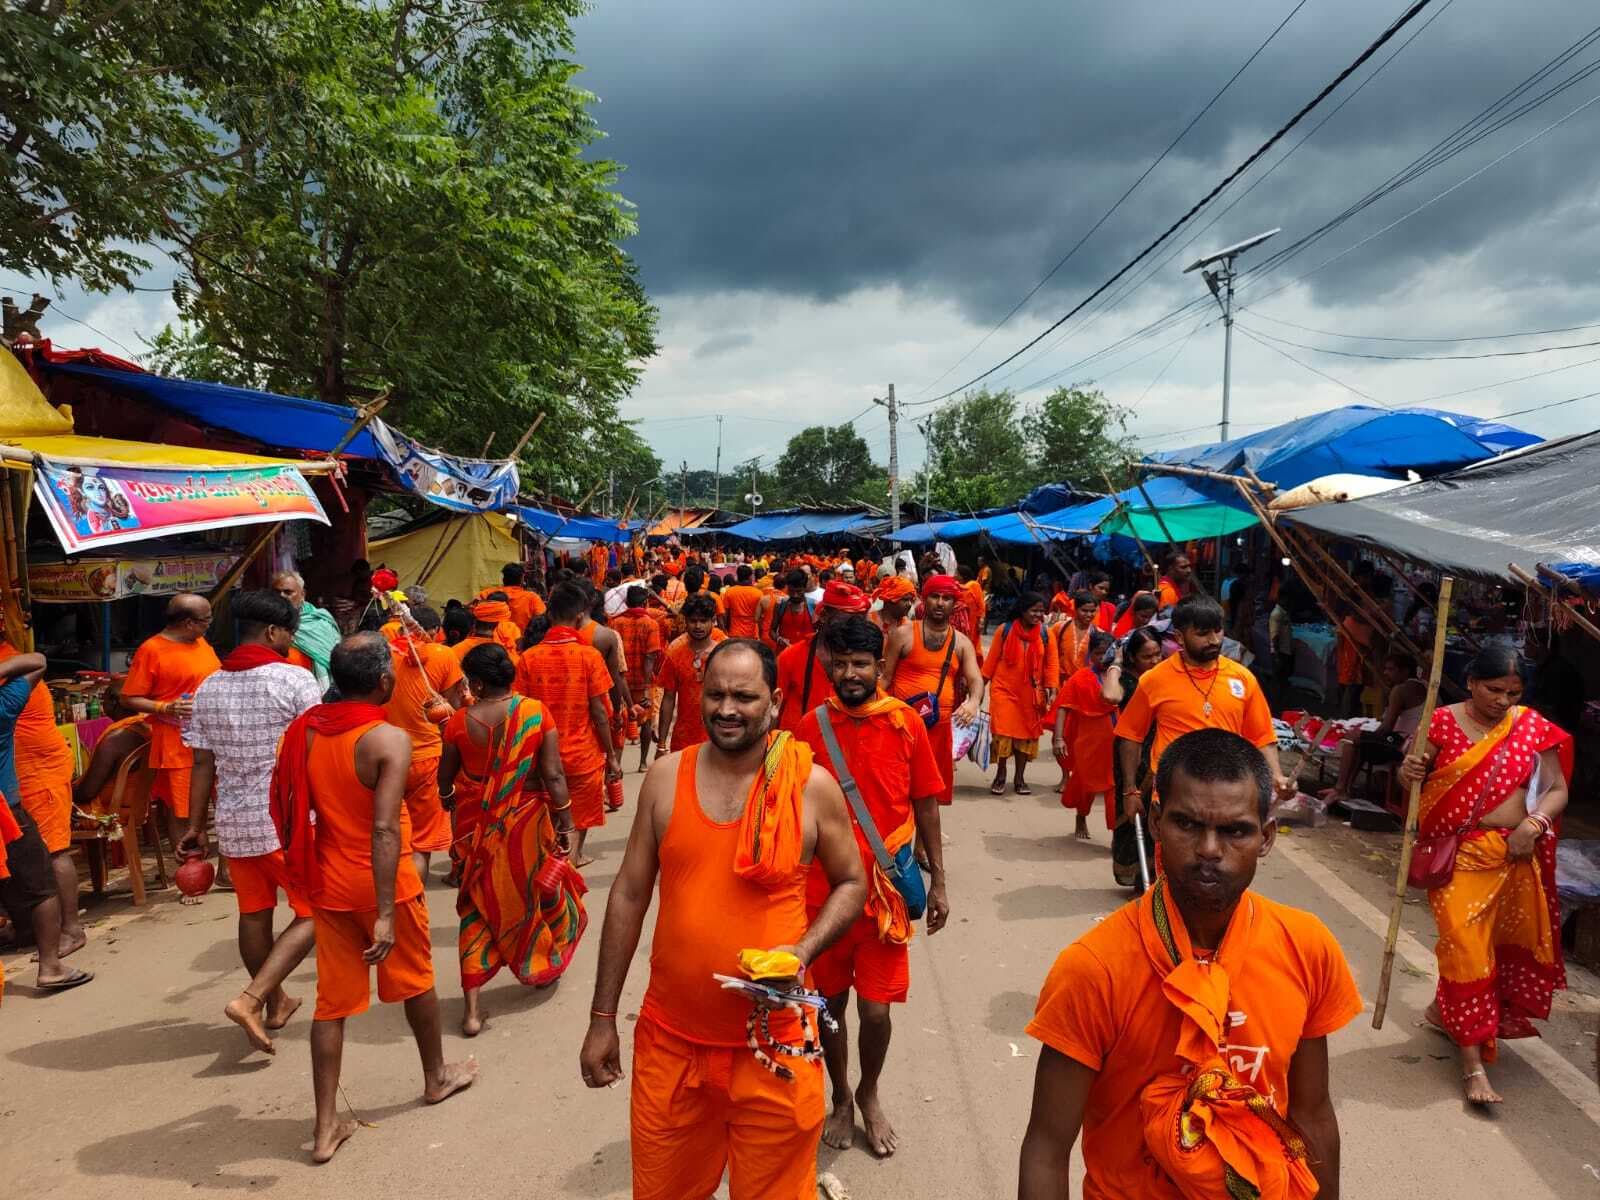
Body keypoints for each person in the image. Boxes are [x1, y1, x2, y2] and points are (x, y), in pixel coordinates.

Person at [578, 639, 869, 1199]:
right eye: (715, 694)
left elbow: (852, 882)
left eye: (744, 696)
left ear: (776, 701)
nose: (726, 708)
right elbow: (630, 894)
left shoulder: (811, 788)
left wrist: (803, 951)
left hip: (775, 1048)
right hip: (671, 1048)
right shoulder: (665, 778)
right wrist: (601, 1016)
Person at [1018, 729, 1361, 1199]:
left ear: (1267, 837)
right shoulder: (1094, 967)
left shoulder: (1306, 946)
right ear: (1156, 824)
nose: (1209, 850)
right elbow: (1047, 1145)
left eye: (1235, 830)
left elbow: (1313, 1112)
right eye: (1188, 825)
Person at [270, 633, 477, 1162]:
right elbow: (385, 830)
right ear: (384, 681)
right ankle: (435, 1076)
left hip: (331, 882)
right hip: (385, 883)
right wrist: (385, 912)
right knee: (417, 984)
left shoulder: (308, 732)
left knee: (331, 1005)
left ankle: (323, 1128)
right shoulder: (387, 739)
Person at [795, 617, 949, 1158]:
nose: (851, 673)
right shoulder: (809, 728)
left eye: (861, 664)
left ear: (880, 667)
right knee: (830, 1004)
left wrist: (941, 880)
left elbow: (927, 799)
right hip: (825, 898)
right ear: (830, 667)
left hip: (885, 895)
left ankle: (869, 1091)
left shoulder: (906, 722)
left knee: (877, 1012)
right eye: (841, 664)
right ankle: (839, 1096)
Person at [1398, 645, 1571, 1106]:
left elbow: (1556, 788)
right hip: (1459, 859)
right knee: (1467, 949)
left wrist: (1533, 826)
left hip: (1514, 856)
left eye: (1513, 692)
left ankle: (1443, 1010)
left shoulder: (1531, 726)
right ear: (1472, 681)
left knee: (1494, 947)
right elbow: (1412, 778)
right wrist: (1409, 769)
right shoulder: (1440, 721)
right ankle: (1473, 1064)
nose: (1503, 701)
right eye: (1494, 690)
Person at [179, 590, 323, 1049]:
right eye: (290, 634)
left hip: (235, 822)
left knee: (253, 916)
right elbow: (317, 751)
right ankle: (253, 996)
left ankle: (277, 1001)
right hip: (286, 819)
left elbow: (202, 763)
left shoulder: (210, 685)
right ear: (274, 632)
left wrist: (196, 825)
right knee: (317, 911)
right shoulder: (293, 680)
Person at [439, 644, 583, 1037]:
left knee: (477, 905)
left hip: (476, 827)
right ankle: (537, 967)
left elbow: (446, 777)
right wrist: (566, 821)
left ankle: (471, 1010)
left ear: (479, 682)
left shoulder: (456, 723)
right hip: (528, 824)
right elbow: (553, 775)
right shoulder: (535, 714)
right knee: (527, 896)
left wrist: (447, 798)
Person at [1115, 597, 1295, 818]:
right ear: (1180, 637)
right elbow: (1130, 736)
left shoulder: (1243, 678)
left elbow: (1262, 736)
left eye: (1218, 631)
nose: (1214, 640)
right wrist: (1130, 790)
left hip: (1228, 793)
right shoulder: (1154, 680)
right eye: (1202, 634)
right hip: (1174, 795)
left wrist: (1277, 776)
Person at [0, 648, 93, 992]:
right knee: (40, 886)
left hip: (23, 794)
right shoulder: (6, 702)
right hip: (8, 808)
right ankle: (50, 966)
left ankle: (69, 930)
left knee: (50, 858)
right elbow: (38, 661)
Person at [514, 582, 619, 867]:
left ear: (549, 615)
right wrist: (611, 755)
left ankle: (552, 873)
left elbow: (520, 710)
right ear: (579, 616)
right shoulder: (589, 656)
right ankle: (570, 869)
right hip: (583, 756)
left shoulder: (528, 658)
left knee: (548, 825)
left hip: (541, 758)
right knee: (576, 822)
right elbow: (600, 712)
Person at [120, 593, 222, 845]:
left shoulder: (200, 642)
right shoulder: (151, 650)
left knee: (220, 805)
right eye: (206, 619)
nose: (210, 623)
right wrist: (166, 707)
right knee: (183, 811)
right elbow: (129, 698)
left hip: (213, 738)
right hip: (178, 743)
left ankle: (220, 870)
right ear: (188, 623)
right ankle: (190, 869)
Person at [383, 604, 468, 882]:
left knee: (392, 831)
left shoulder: (383, 657)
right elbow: (452, 708)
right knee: (421, 842)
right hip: (429, 757)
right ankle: (411, 900)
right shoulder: (444, 655)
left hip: (386, 754)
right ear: (433, 630)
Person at [883, 574, 984, 807]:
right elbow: (885, 678)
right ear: (924, 600)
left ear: (954, 604)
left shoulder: (961, 643)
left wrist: (973, 701)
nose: (940, 603)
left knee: (930, 795)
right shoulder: (902, 635)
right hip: (900, 725)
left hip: (938, 730)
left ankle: (921, 844)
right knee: (897, 789)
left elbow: (975, 679)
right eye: (935, 597)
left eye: (946, 598)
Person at [1099, 627, 1166, 889]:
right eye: (1146, 656)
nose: (1153, 661)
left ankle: (1151, 874)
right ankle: (1134, 868)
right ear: (1133, 658)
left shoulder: (1165, 677)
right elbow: (1110, 696)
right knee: (1133, 810)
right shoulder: (1127, 680)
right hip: (1131, 754)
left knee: (1157, 813)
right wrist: (1115, 666)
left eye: (1157, 654)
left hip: (1160, 751)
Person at [1320, 651, 1425, 806]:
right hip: (1413, 743)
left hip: (1404, 744)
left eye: (1391, 669)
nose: (1385, 673)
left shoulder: (1401, 690)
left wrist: (1366, 735)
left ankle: (1340, 788)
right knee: (1361, 739)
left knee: (1352, 737)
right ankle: (1345, 788)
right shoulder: (1424, 686)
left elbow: (1386, 728)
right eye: (1385, 669)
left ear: (1405, 671)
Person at [981, 591, 1059, 797]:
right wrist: (978, 687)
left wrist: (1052, 688)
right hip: (1003, 690)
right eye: (1034, 610)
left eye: (1041, 612)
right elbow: (991, 662)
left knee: (1026, 736)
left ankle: (1020, 778)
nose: (1038, 615)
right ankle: (1000, 775)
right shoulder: (1004, 630)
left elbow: (1051, 664)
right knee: (1004, 733)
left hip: (1032, 694)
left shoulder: (1045, 634)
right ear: (1022, 610)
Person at [775, 580, 871, 731]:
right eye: (847, 621)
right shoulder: (791, 657)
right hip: (797, 747)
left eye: (859, 621)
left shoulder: (864, 659)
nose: (854, 628)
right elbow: (773, 711)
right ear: (825, 615)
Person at [1052, 629, 1118, 842]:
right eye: (1098, 653)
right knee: (1084, 783)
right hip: (1088, 741)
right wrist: (1059, 738)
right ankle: (1081, 816)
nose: (1103, 657)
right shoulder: (1080, 678)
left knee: (1115, 787)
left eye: (1107, 652)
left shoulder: (1120, 675)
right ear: (1090, 654)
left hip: (1116, 741)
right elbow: (1064, 706)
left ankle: (1118, 831)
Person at [654, 593, 728, 756]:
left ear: (713, 621)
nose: (698, 626)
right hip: (684, 739)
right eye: (693, 621)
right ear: (685, 621)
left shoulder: (723, 653)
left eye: (703, 621)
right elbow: (668, 698)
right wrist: (661, 745)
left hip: (720, 737)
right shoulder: (675, 653)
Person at [612, 585, 666, 772]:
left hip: (620, 682)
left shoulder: (615, 623)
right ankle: (643, 762)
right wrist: (645, 686)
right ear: (645, 603)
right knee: (646, 722)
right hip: (643, 682)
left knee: (618, 723)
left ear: (627, 602)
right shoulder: (651, 624)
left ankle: (617, 764)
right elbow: (651, 657)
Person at [271, 570, 341, 688]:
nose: (281, 597)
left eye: (288, 592)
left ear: (302, 594)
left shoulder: (320, 621)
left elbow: (338, 659)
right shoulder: (266, 623)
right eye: (276, 592)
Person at [761, 568, 817, 652]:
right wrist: (779, 639)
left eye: (799, 591)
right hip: (784, 654)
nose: (795, 595)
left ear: (805, 588)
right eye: (791, 591)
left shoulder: (814, 606)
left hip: (806, 655)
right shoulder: (780, 605)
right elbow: (772, 631)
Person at [478, 562, 545, 629]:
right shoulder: (532, 598)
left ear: (503, 579)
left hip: (494, 638)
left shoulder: (488, 593)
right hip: (522, 638)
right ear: (522, 579)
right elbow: (542, 620)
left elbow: (471, 611)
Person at [1334, 607, 1374, 717]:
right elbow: (1340, 643)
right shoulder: (1348, 623)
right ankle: (1346, 716)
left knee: (1353, 691)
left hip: (1358, 663)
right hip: (1348, 661)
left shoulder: (1366, 624)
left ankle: (1348, 715)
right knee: (1349, 690)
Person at [722, 564, 764, 639]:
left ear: (737, 576)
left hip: (734, 632)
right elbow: (761, 617)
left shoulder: (729, 592)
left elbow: (725, 615)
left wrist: (726, 629)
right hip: (753, 633)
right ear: (750, 577)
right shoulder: (758, 593)